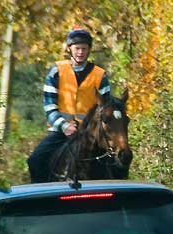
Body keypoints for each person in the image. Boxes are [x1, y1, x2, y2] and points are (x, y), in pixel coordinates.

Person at [27, 27, 111, 183]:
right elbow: (49, 105)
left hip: (91, 135)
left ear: (89, 50)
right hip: (60, 132)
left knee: (115, 162)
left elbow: (107, 108)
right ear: (70, 49)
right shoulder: (56, 71)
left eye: (84, 49)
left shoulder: (100, 75)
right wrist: (64, 126)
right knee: (35, 161)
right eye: (77, 48)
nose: (80, 52)